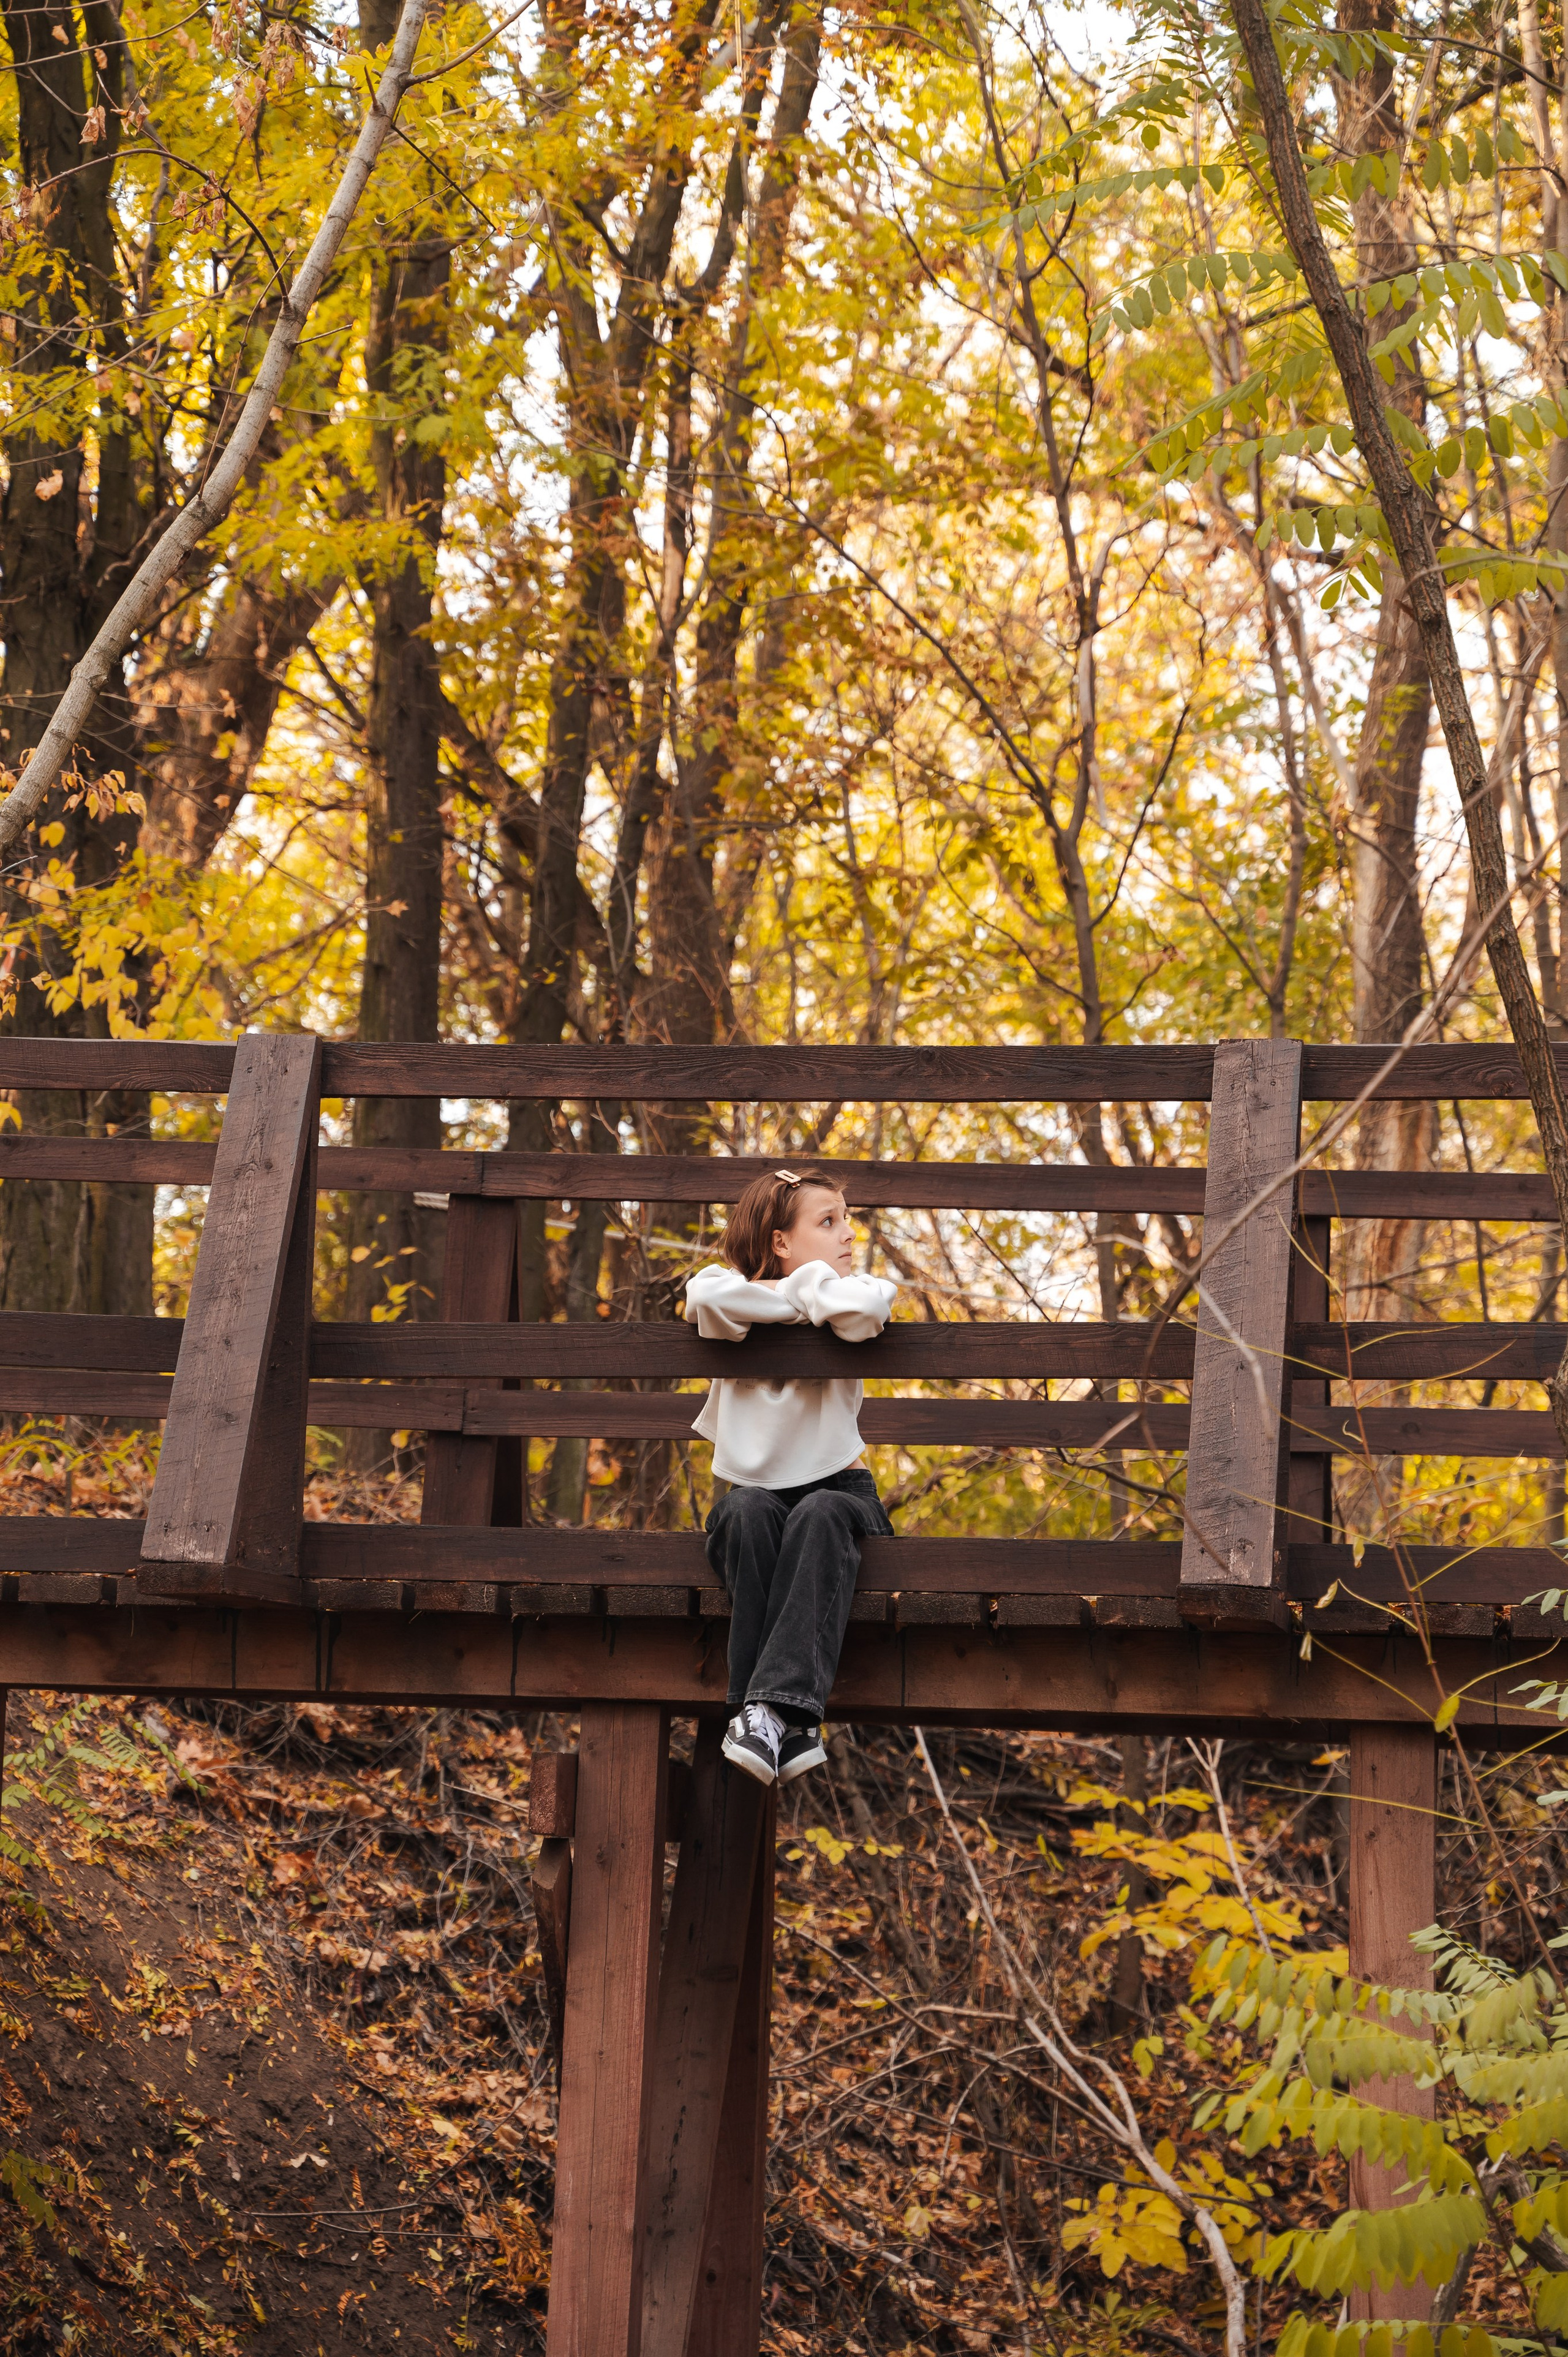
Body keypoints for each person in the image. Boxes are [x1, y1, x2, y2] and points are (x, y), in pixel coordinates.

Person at [684, 1167, 897, 1787]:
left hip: (841, 1502)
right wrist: (800, 1297)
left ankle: (760, 1712)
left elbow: (864, 1308)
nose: (848, 1233)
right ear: (779, 1241)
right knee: (743, 1510)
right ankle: (792, 1723)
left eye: (847, 1217)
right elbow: (709, 1299)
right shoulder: (726, 1287)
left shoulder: (851, 1288)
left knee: (818, 1512)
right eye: (828, 1221)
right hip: (759, 1502)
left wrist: (807, 1287)